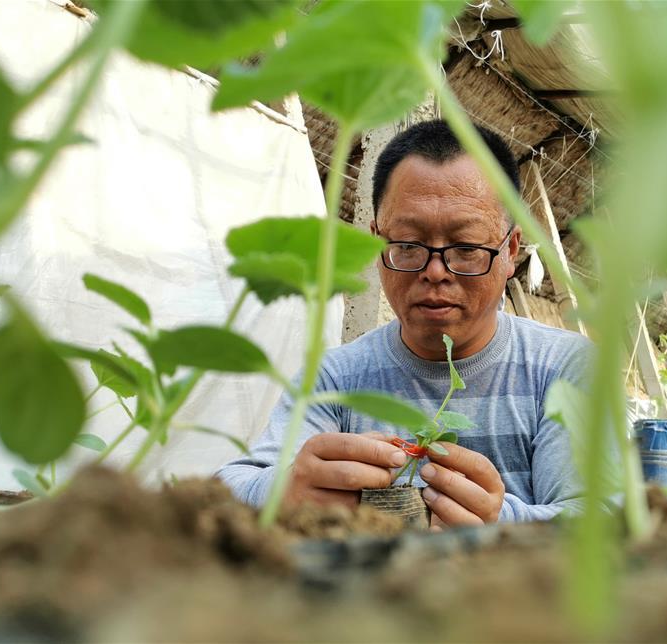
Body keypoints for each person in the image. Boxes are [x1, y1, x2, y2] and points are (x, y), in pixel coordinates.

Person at [216, 120, 593, 527]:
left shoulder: (565, 370)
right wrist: (286, 490)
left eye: (465, 248)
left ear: (511, 251)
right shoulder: (335, 379)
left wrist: (500, 521)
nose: (434, 272)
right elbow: (228, 487)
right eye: (409, 245)